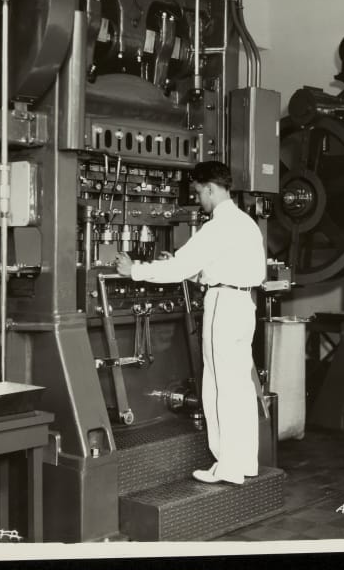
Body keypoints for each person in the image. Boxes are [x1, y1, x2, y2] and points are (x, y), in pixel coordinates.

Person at [115, 161, 266, 485]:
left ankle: (227, 467)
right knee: (240, 387)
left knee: (219, 387)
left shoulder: (218, 226)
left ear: (210, 188)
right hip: (244, 304)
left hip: (223, 305)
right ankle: (244, 463)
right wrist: (191, 270)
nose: (198, 199)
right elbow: (221, 266)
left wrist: (134, 270)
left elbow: (178, 270)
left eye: (198, 192)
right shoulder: (246, 223)